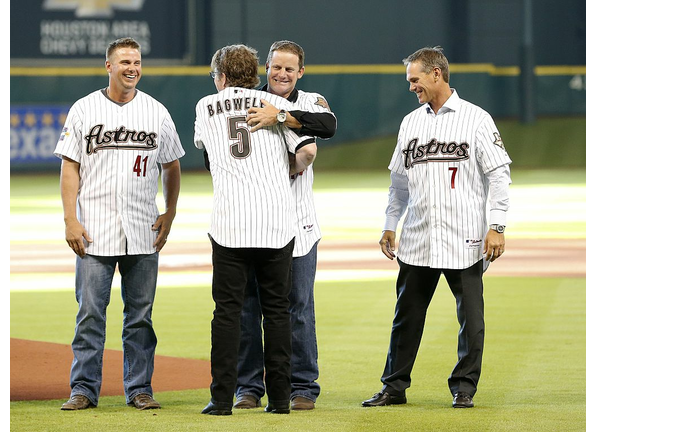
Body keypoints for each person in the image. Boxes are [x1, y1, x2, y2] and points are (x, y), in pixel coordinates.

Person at [361, 46, 512, 409]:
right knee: (406, 319)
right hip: (418, 238)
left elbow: (499, 176)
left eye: (415, 79)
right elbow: (398, 184)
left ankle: (464, 387)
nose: (411, 86)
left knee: (471, 321)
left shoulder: (476, 119)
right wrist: (389, 224)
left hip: (466, 237)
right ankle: (394, 387)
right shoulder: (410, 122)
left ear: (436, 74)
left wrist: (498, 225)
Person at [54, 37, 185, 411]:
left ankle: (140, 388)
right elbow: (69, 167)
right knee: (90, 314)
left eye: (138, 62)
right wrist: (70, 220)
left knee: (140, 317)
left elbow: (172, 164)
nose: (133, 68)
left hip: (143, 230)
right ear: (108, 66)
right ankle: (83, 389)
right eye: (125, 61)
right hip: (93, 229)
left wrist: (170, 211)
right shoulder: (84, 109)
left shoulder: (156, 112)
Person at [193, 44, 317, 416]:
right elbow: (308, 151)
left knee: (228, 313)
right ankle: (280, 400)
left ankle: (222, 399)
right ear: (257, 73)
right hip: (277, 224)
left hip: (230, 225)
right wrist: (288, 169)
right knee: (278, 312)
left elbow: (207, 153)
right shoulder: (273, 106)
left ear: (222, 77)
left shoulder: (205, 106)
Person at [232, 40, 336, 412]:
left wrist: (279, 116)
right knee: (248, 309)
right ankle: (248, 387)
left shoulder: (310, 100)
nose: (282, 74)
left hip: (298, 224)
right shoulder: (243, 101)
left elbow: (327, 125)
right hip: (252, 224)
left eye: (290, 69)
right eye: (276, 67)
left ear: (300, 73)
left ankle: (303, 385)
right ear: (267, 68)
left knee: (298, 308)